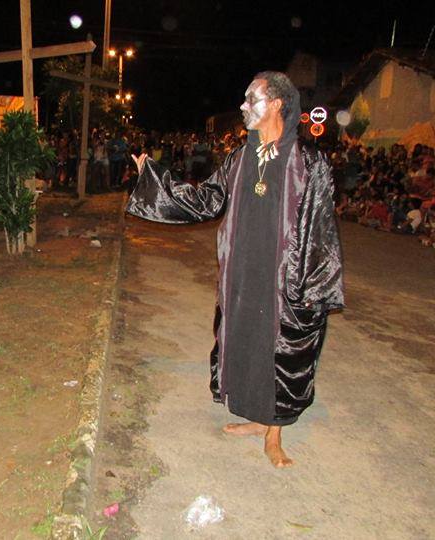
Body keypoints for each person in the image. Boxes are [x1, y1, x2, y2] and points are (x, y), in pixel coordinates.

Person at [126, 72, 344, 467]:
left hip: (284, 276)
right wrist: (153, 179)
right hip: (243, 270)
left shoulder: (308, 163)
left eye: (251, 99)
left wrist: (312, 287)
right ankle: (257, 418)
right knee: (247, 342)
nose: (243, 106)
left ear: (276, 104)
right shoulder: (240, 158)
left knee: (280, 350)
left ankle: (274, 433)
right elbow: (206, 200)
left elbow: (322, 231)